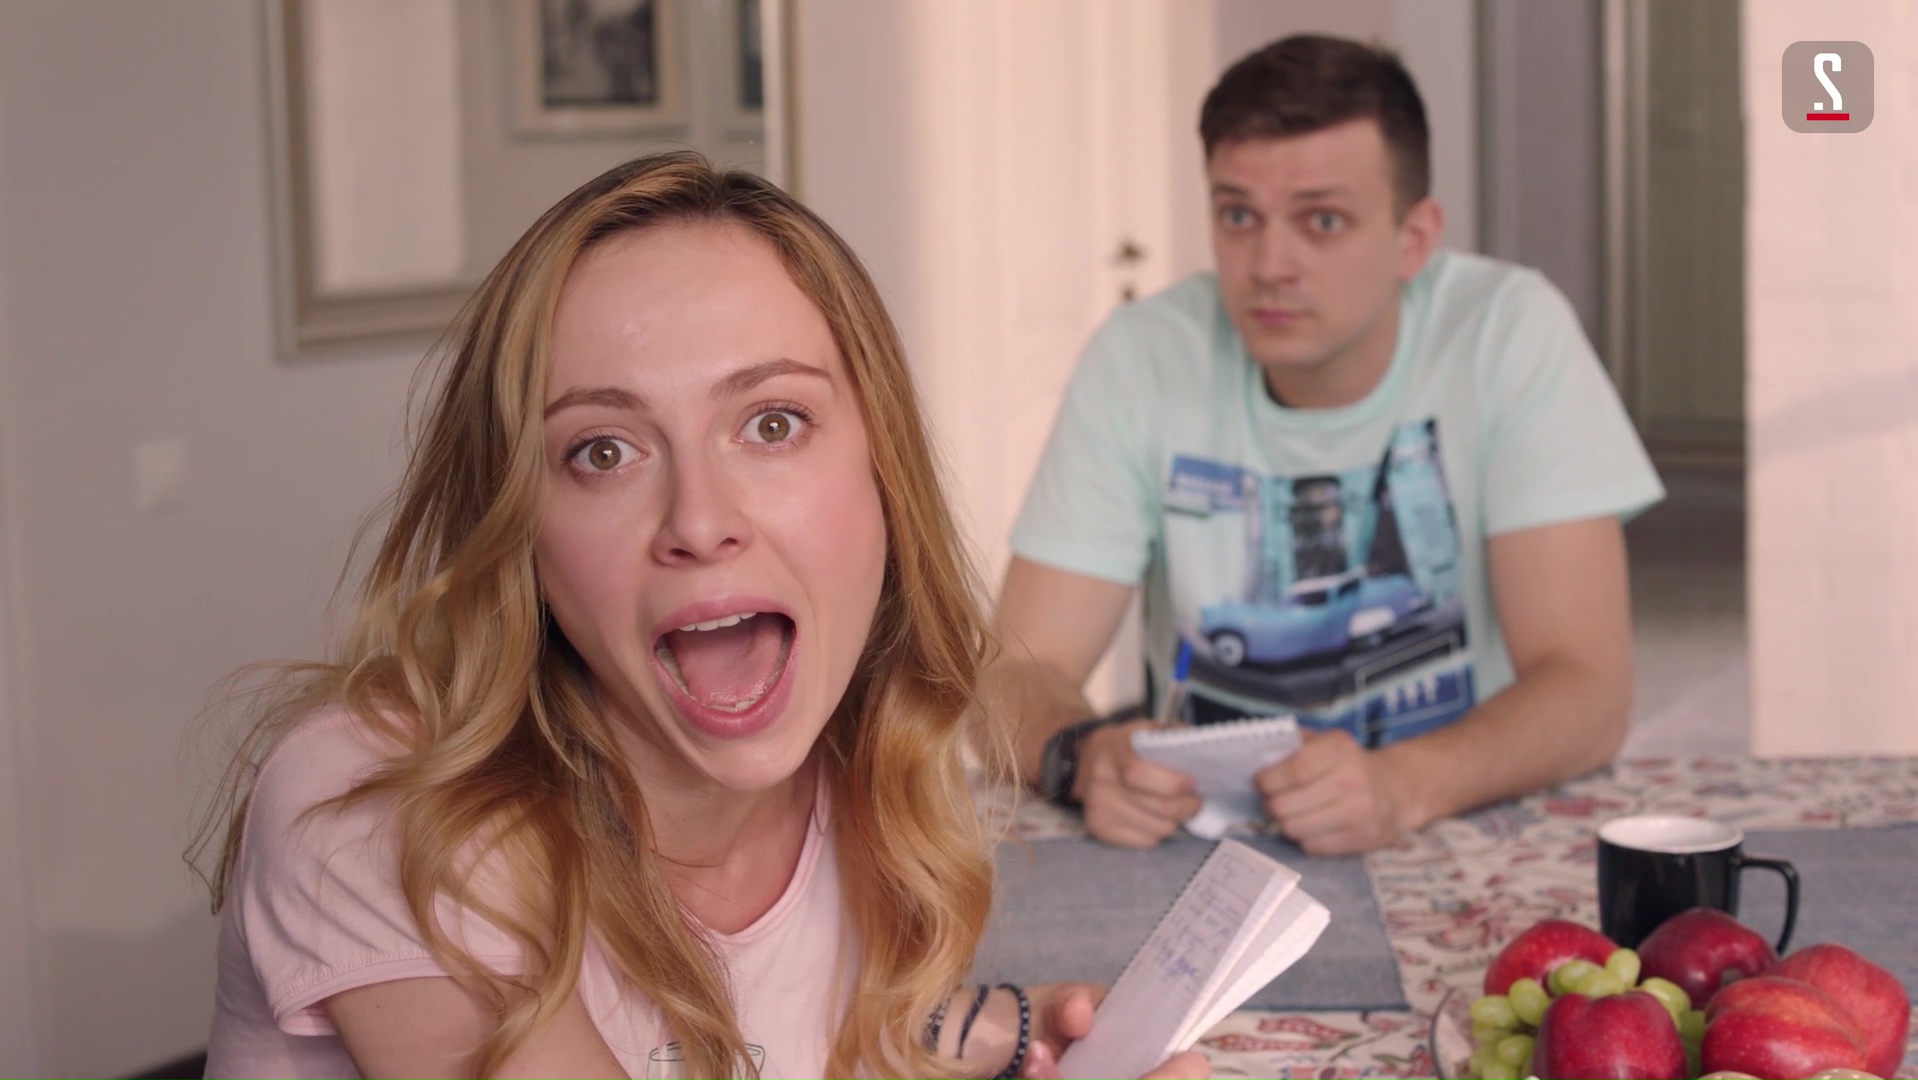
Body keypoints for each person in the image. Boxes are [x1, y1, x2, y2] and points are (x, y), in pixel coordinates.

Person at [191, 153, 1207, 1080]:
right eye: (603, 451)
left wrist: (1015, 1031)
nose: (699, 521)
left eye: (773, 423)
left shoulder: (854, 777)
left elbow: (794, 1026)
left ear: (883, 471)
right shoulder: (382, 802)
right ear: (520, 530)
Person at [990, 34, 1665, 856]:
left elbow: (1588, 692)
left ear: (1413, 238)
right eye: (1238, 215)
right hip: (1203, 844)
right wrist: (1081, 755)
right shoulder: (1142, 356)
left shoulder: (1506, 331)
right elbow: (1010, 673)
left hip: (1453, 824)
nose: (1269, 265)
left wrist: (1402, 785)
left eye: (1323, 221)